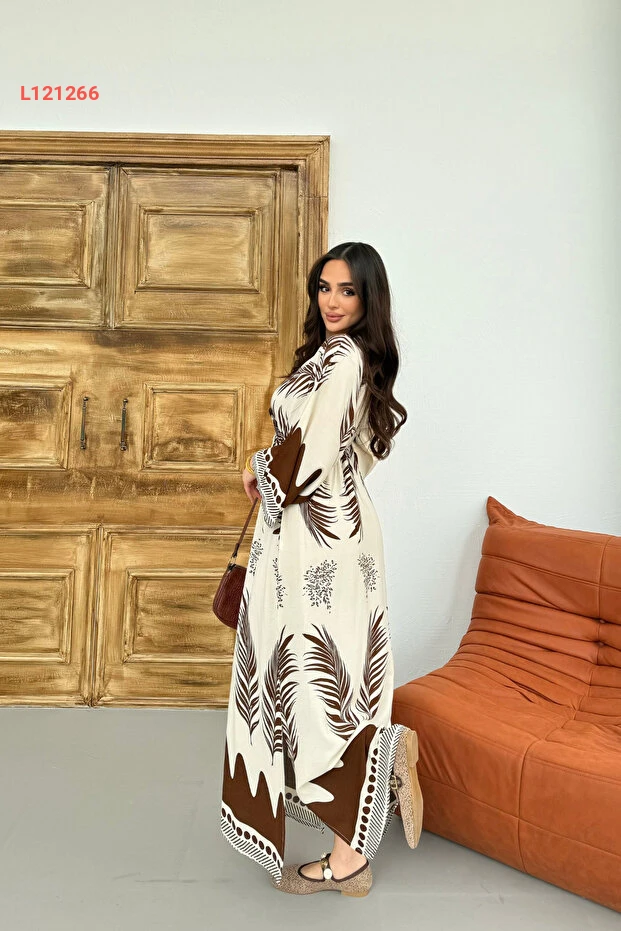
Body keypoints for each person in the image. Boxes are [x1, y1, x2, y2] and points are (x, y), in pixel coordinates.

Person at [220, 241, 423, 897]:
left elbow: (308, 456)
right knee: (326, 676)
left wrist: (262, 470)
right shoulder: (337, 357)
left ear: (368, 298)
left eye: (347, 290)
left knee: (318, 679)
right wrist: (268, 466)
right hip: (330, 534)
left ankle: (351, 851)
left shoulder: (342, 359)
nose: (332, 301)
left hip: (319, 544)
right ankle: (373, 782)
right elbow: (341, 450)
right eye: (324, 287)